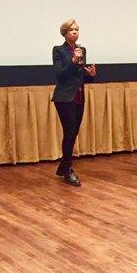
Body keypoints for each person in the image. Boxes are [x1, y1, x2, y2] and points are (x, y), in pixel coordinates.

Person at [52, 19, 96, 186]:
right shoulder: (58, 50)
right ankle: (68, 169)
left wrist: (91, 75)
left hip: (79, 96)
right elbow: (60, 75)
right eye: (71, 30)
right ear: (65, 33)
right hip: (64, 98)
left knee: (73, 133)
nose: (75, 32)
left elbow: (80, 76)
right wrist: (72, 61)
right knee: (69, 132)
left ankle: (63, 167)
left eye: (77, 29)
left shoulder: (81, 49)